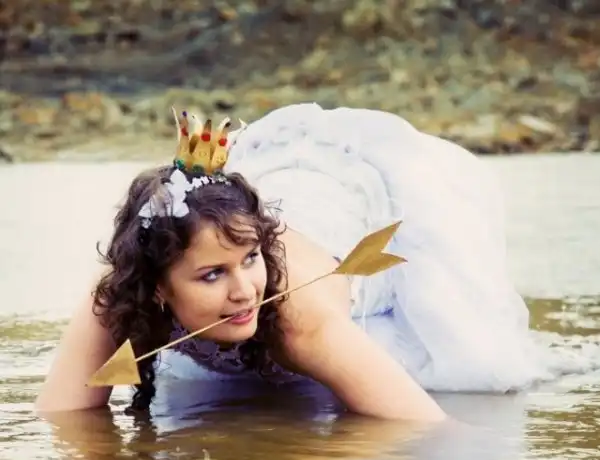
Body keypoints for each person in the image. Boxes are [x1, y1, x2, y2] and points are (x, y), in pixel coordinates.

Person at [35, 102, 550, 421]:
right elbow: (63, 417)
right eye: (212, 274)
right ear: (157, 288)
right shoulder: (119, 294)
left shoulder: (300, 321)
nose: (244, 291)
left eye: (249, 260)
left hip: (351, 210)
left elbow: (426, 426)